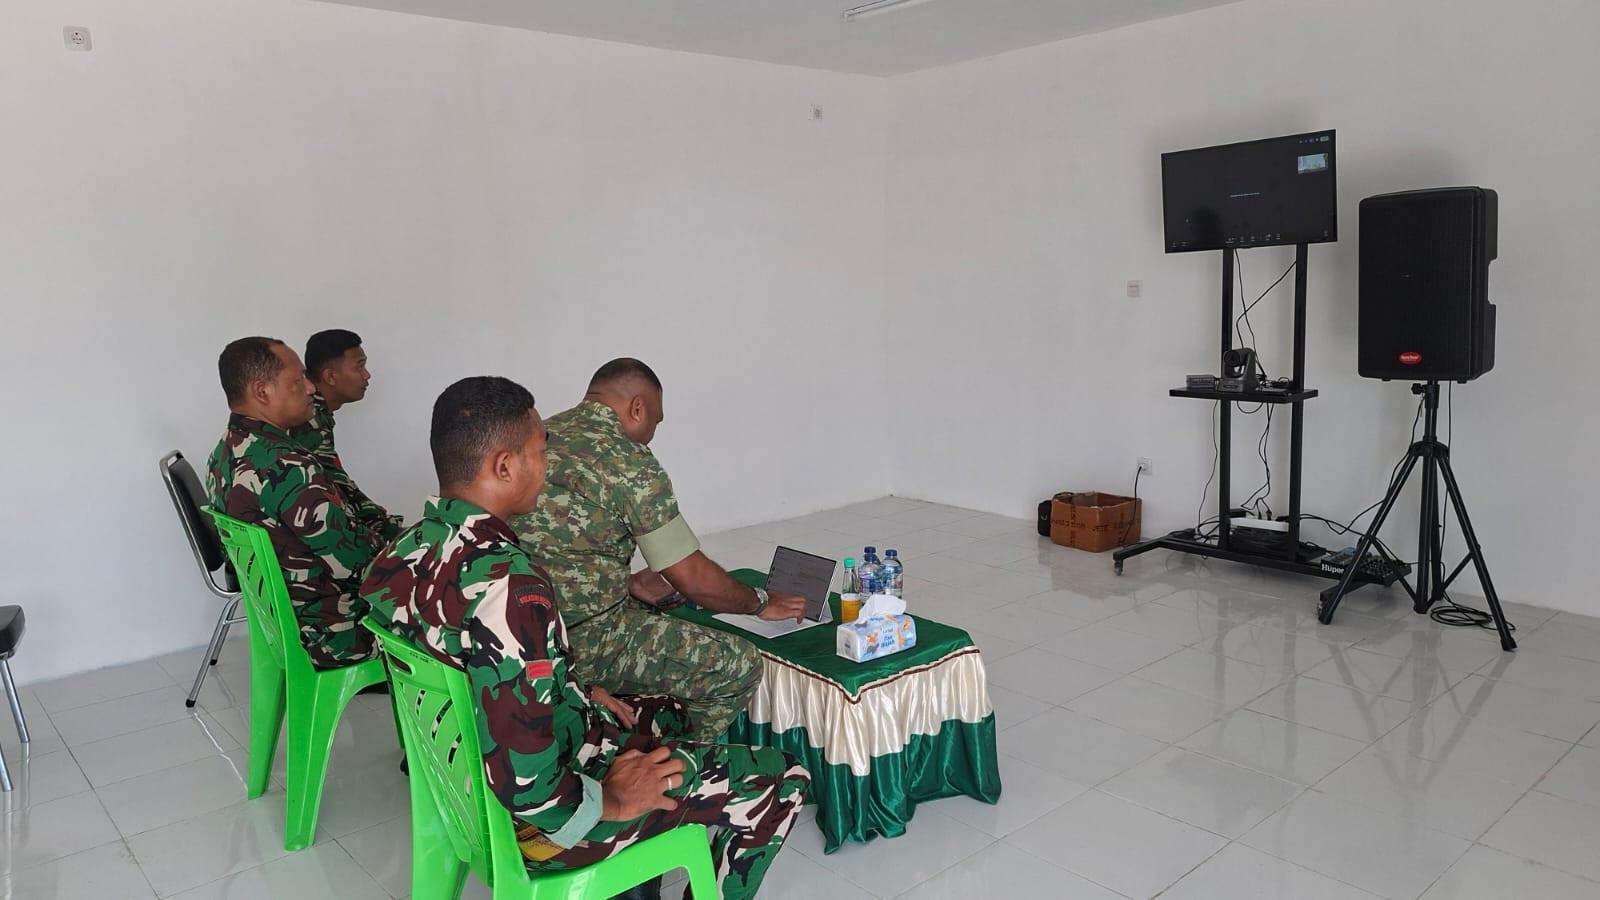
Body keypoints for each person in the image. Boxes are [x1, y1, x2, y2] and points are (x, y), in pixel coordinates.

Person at [361, 376, 808, 900]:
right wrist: (613, 802)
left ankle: (651, 855)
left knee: (666, 712)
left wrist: (572, 689)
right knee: (785, 779)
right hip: (539, 826)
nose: (547, 467)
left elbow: (472, 670)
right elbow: (528, 785)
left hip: (459, 787)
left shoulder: (401, 554)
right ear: (504, 466)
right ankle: (663, 834)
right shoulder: (511, 587)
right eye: (539, 452)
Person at [511, 359, 806, 742]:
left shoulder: (539, 436)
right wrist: (760, 602)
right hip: (582, 643)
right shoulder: (628, 461)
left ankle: (611, 721)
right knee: (738, 663)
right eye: (656, 420)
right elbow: (692, 577)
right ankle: (674, 768)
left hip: (526, 629)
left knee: (657, 606)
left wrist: (624, 582)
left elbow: (546, 545)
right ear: (637, 407)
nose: (653, 432)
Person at [206, 337, 382, 667]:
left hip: (281, 624)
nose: (311, 388)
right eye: (298, 379)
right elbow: (357, 565)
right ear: (262, 392)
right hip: (334, 635)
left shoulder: (222, 454)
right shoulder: (288, 466)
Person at [296, 328, 403, 543]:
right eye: (359, 366)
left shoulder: (317, 412)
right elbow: (339, 490)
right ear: (330, 376)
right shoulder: (312, 421)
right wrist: (389, 529)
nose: (367, 375)